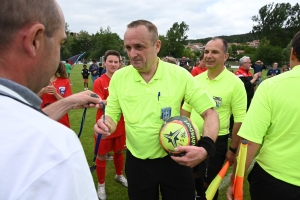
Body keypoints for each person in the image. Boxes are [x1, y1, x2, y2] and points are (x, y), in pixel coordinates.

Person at [94, 19, 220, 200]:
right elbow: (112, 113)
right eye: (128, 48)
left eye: (139, 46)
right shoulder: (120, 77)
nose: (132, 53)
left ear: (157, 45)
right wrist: (105, 124)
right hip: (138, 163)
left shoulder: (179, 75)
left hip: (176, 160)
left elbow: (210, 112)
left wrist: (206, 147)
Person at [0, 0, 100, 199]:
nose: (60, 55)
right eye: (61, 43)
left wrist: (67, 101)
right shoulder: (55, 146)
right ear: (35, 40)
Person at [227, 31, 300, 200]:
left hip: (275, 179)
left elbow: (249, 142)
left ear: (292, 52)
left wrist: (235, 182)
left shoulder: (271, 87)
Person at [181, 38, 247, 200]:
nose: (208, 56)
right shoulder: (195, 80)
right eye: (206, 52)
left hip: (217, 141)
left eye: (215, 52)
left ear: (225, 56)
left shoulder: (235, 84)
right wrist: (183, 135)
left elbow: (239, 120)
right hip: (192, 137)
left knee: (208, 183)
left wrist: (232, 150)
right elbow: (185, 110)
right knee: (191, 173)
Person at [93, 50, 128, 200]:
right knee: (101, 155)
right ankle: (101, 185)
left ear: (120, 63)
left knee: (119, 151)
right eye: (110, 61)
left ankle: (119, 175)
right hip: (105, 124)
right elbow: (98, 104)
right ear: (105, 62)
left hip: (121, 124)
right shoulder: (99, 81)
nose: (113, 64)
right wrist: (115, 100)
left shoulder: (124, 80)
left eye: (116, 62)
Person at [38, 61, 72, 127]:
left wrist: (55, 93)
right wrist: (42, 91)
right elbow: (30, 102)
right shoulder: (39, 82)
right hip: (43, 119)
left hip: (62, 120)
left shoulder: (65, 81)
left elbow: (69, 103)